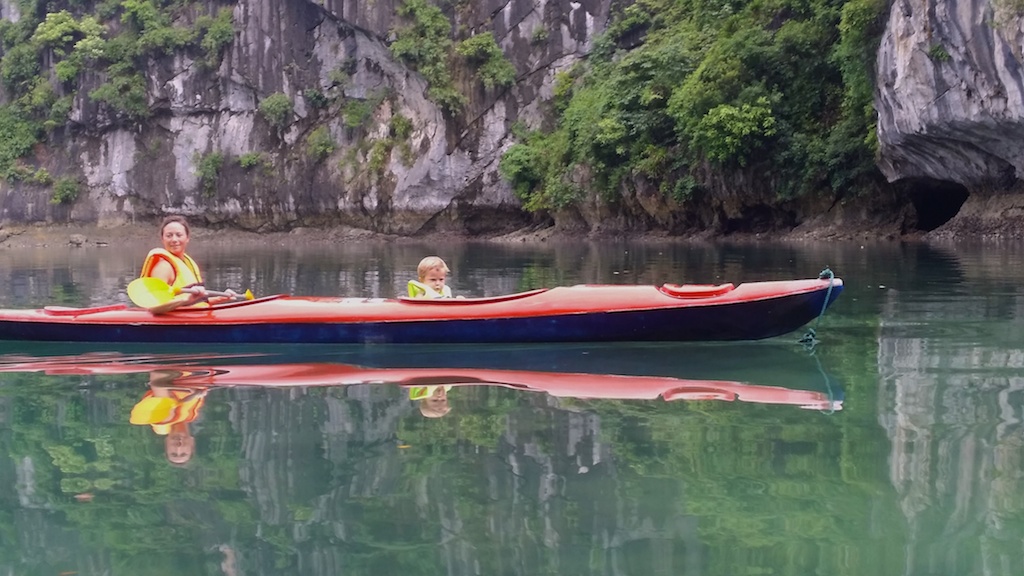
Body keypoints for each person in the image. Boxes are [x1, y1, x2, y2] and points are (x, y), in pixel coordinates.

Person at [139, 215, 234, 313]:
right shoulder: (163, 267)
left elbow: (198, 302)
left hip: (197, 319)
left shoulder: (189, 264)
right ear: (162, 239)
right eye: (169, 236)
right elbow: (153, 308)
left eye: (179, 235)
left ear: (187, 238)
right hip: (176, 325)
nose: (174, 240)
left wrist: (221, 298)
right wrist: (185, 300)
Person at [129, 369, 209, 466]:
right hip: (197, 368)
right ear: (192, 443)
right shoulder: (191, 416)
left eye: (174, 454)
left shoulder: (162, 423)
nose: (178, 447)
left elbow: (157, 383)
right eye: (183, 453)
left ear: (166, 443)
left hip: (172, 366)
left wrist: (193, 392)